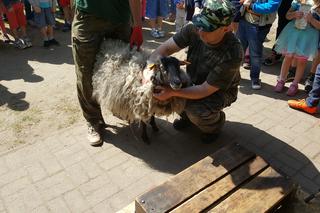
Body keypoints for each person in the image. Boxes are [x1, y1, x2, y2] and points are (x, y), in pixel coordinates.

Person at [150, 0, 243, 143]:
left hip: (219, 90)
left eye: (207, 28)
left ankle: (214, 126)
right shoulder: (194, 29)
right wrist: (148, 71)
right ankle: (187, 117)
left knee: (196, 110)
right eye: (200, 24)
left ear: (225, 28)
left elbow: (205, 89)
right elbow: (165, 49)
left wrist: (172, 92)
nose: (200, 31)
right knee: (174, 89)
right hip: (195, 81)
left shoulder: (233, 52)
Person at [72, 0, 143, 146]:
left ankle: (118, 108)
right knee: (85, 74)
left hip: (120, 18)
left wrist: (137, 26)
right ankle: (93, 120)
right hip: (88, 17)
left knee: (123, 71)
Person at [274, 0, 320, 96]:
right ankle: (281, 80)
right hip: (293, 32)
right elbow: (287, 15)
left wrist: (312, 20)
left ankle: (295, 84)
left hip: (308, 37)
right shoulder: (299, 1)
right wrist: (294, 14)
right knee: (288, 57)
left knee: (302, 61)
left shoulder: (318, 5)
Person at [236, 0, 282, 90]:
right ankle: (234, 76)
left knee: (255, 54)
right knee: (238, 51)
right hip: (243, 21)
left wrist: (251, 5)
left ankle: (255, 79)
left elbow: (270, 7)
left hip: (258, 26)